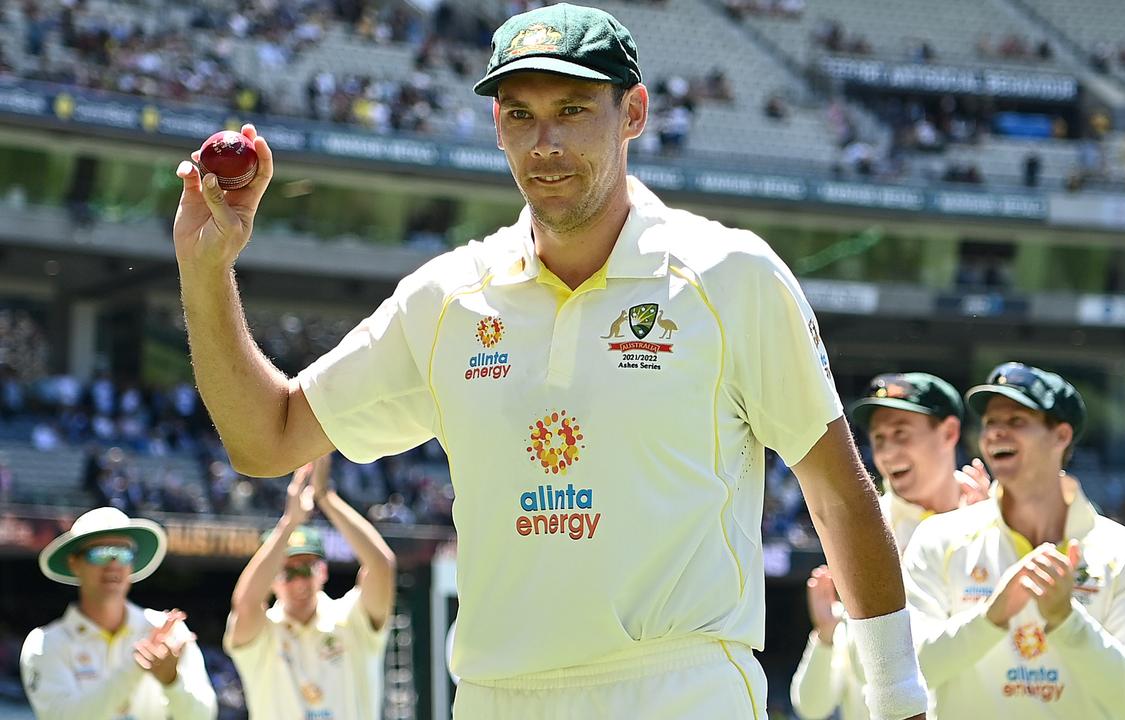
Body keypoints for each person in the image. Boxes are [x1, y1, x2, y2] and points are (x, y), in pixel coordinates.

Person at [170, 3, 927, 718]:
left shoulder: (730, 275)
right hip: (499, 695)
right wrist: (205, 271)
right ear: (497, 128)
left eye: (571, 111)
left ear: (633, 113)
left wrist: (898, 700)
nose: (546, 145)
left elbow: (837, 496)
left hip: (681, 691)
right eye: (521, 117)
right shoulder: (447, 298)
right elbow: (266, 439)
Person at [902, 362, 1125, 718]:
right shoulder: (938, 539)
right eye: (990, 423)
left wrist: (1066, 621)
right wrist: (991, 618)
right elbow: (907, 674)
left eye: (1015, 422)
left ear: (1061, 436)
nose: (996, 433)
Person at [793, 372, 986, 719]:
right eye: (879, 438)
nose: (887, 452)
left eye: (901, 434)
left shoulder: (994, 517)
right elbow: (848, 678)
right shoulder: (860, 527)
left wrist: (981, 537)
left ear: (949, 433)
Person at [224, 454, 396, 719]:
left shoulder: (351, 619)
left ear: (323, 571)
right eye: (287, 572)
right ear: (272, 578)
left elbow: (381, 567)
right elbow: (245, 604)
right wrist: (288, 522)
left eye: (307, 568)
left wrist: (326, 496)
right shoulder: (263, 633)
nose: (300, 581)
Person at [20, 507, 216, 720]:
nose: (113, 564)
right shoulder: (46, 643)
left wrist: (172, 681)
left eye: (123, 554)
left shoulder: (168, 631)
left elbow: (203, 716)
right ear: (74, 563)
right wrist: (135, 666)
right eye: (100, 554)